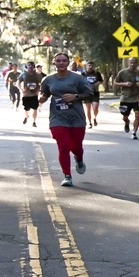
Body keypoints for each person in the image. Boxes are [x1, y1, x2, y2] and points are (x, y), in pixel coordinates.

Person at [39, 52, 93, 187]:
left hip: (76, 118)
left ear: (68, 63)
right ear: (54, 62)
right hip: (58, 118)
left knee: (76, 146)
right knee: (63, 146)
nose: (61, 63)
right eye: (58, 61)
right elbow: (45, 93)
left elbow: (89, 93)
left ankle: (79, 159)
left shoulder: (78, 78)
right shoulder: (48, 79)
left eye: (64, 60)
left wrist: (75, 97)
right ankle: (67, 175)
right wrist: (42, 99)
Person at [115, 57, 139, 139]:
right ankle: (127, 122)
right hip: (125, 98)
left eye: (134, 62)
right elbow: (115, 83)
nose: (132, 64)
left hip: (137, 97)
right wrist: (125, 84)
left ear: (137, 63)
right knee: (124, 116)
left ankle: (134, 132)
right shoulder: (123, 72)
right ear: (128, 63)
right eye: (131, 62)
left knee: (137, 115)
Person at [19, 61, 42, 127]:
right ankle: (27, 116)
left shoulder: (37, 75)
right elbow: (18, 83)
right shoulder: (23, 74)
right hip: (26, 95)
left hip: (34, 95)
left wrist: (38, 89)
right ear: (27, 66)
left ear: (34, 67)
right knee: (27, 109)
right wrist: (22, 89)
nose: (30, 66)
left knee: (35, 108)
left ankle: (34, 122)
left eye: (32, 65)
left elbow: (42, 83)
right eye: (29, 65)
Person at [83, 61, 104, 128]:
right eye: (89, 65)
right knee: (88, 109)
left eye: (92, 66)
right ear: (86, 66)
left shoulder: (97, 73)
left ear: (94, 66)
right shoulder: (83, 74)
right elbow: (80, 82)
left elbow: (101, 81)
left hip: (95, 93)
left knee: (95, 108)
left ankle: (94, 117)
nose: (90, 67)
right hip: (86, 93)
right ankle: (89, 122)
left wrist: (98, 83)